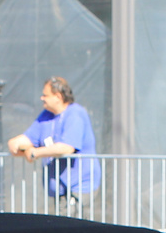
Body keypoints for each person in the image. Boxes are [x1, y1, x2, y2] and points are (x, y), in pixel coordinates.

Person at [7, 77, 101, 212]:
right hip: (59, 189)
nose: (42, 98)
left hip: (79, 187)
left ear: (58, 96)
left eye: (45, 95)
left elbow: (66, 148)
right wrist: (16, 144)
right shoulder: (46, 115)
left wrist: (35, 152)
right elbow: (23, 140)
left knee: (71, 229)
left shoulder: (75, 114)